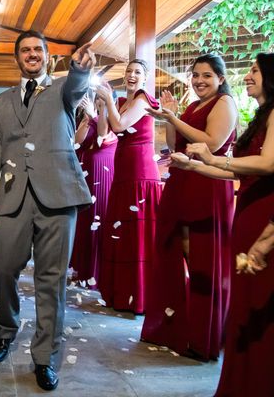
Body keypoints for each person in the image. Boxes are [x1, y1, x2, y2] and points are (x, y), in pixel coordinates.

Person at [0, 30, 96, 392]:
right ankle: (6, 328)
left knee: (51, 280)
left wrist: (79, 67)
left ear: (48, 57)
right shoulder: (2, 101)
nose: (31, 55)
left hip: (58, 195)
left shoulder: (63, 89)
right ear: (17, 58)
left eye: (37, 50)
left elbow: (78, 85)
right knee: (3, 267)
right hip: (12, 197)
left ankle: (45, 357)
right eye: (25, 50)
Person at [170, 53, 274, 397]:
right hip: (247, 208)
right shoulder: (261, 117)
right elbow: (239, 170)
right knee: (244, 306)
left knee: (258, 307)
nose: (247, 76)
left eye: (255, 71)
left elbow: (268, 164)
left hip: (264, 215)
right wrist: (196, 167)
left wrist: (213, 157)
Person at [141, 54, 237, 360]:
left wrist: (172, 117)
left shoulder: (224, 103)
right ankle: (177, 324)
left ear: (221, 79)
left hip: (206, 183)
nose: (199, 81)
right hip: (181, 180)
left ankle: (203, 334)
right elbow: (175, 144)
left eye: (206, 75)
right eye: (195, 75)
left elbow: (212, 142)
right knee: (178, 251)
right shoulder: (194, 106)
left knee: (202, 258)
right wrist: (172, 116)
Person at [95, 59, 162, 314]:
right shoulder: (122, 102)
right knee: (121, 231)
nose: (132, 75)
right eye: (129, 71)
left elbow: (120, 125)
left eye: (137, 72)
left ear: (144, 78)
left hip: (140, 171)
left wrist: (110, 99)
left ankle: (141, 296)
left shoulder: (144, 99)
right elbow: (104, 131)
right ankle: (120, 293)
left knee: (138, 234)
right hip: (122, 172)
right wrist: (103, 105)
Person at [70, 92, 117, 285]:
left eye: (103, 98)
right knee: (85, 219)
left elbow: (102, 135)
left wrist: (98, 113)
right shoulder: (90, 118)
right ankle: (84, 268)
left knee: (100, 218)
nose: (98, 101)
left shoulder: (113, 119)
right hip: (86, 175)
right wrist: (87, 118)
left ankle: (98, 272)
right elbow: (77, 141)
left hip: (103, 173)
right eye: (97, 97)